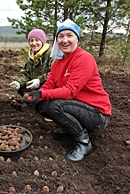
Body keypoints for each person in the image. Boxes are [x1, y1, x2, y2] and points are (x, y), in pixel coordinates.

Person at [23, 19, 112, 162]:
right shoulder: (58, 62)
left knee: (54, 106)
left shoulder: (83, 59)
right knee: (42, 105)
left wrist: (41, 93)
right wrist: (33, 98)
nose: (65, 40)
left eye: (69, 35)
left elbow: (70, 91)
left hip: (97, 114)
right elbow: (49, 84)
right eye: (61, 36)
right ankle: (70, 126)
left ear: (77, 38)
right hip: (78, 106)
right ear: (57, 40)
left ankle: (84, 142)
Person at [9, 28, 54, 97]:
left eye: (37, 40)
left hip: (48, 85)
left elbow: (54, 73)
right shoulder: (31, 56)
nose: (34, 43)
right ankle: (31, 100)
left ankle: (35, 100)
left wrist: (39, 80)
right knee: (21, 88)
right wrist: (19, 82)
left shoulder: (51, 54)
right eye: (31, 40)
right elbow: (26, 74)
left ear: (42, 41)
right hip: (34, 85)